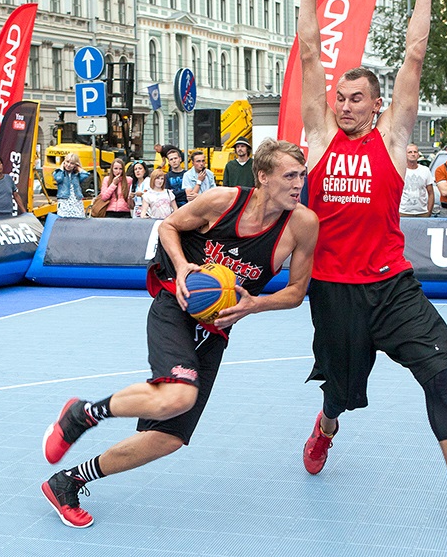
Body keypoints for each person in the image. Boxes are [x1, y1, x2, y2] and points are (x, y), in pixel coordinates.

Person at [298, 0, 447, 525]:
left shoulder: (392, 143)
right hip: (333, 289)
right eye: (339, 98)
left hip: (392, 285)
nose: (344, 106)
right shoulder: (318, 140)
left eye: (356, 99)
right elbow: (310, 58)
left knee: (437, 374)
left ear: (376, 106)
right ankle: (324, 430)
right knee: (340, 395)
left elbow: (414, 58)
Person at [40, 139, 319, 528]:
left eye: (301, 176)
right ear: (263, 177)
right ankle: (84, 414)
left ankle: (67, 481)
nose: (298, 183)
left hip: (216, 327)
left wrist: (255, 304)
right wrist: (185, 267)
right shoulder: (223, 200)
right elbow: (168, 225)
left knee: (168, 437)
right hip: (177, 302)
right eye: (289, 175)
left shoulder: (303, 224)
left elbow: (296, 292)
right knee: (179, 394)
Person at [400, 144, 435, 217]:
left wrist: (429, 212)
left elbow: (431, 193)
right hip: (403, 213)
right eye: (410, 152)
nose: (413, 154)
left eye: (415, 152)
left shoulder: (425, 170)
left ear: (418, 155)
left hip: (422, 213)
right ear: (405, 154)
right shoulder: (400, 170)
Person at [53, 153, 86, 218]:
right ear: (64, 162)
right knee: (64, 221)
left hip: (76, 201)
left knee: (78, 222)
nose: (68, 165)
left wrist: (79, 168)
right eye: (67, 162)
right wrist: (61, 168)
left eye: (72, 163)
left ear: (75, 165)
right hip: (64, 201)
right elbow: (59, 178)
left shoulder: (77, 174)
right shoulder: (58, 172)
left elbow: (85, 175)